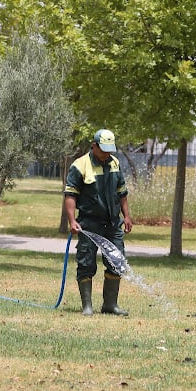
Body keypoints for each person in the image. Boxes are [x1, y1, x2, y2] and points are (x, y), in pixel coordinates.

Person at [63, 129, 133, 316]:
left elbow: (122, 193)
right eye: (103, 150)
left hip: (112, 223)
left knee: (116, 261)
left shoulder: (115, 163)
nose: (107, 154)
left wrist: (126, 216)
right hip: (89, 224)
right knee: (86, 262)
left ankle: (110, 305)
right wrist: (72, 221)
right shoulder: (80, 166)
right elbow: (70, 195)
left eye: (110, 150)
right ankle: (87, 306)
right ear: (94, 146)